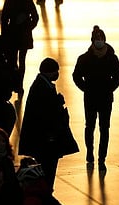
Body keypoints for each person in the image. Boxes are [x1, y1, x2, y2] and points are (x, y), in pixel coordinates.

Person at [19, 58, 79, 190]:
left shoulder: (42, 85)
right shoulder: (42, 88)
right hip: (45, 141)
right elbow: (45, 113)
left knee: (47, 171)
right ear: (50, 71)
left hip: (44, 140)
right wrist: (58, 102)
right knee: (47, 171)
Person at [72, 25, 119, 171]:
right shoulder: (84, 58)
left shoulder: (112, 58)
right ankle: (90, 152)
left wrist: (110, 88)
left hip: (106, 97)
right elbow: (76, 76)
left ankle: (102, 157)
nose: (99, 41)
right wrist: (85, 88)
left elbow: (118, 76)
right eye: (97, 39)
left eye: (101, 39)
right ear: (92, 41)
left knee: (104, 128)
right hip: (90, 97)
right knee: (90, 126)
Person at [1, 0, 39, 95]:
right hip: (24, 34)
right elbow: (35, 17)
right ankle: (19, 84)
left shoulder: (9, 1)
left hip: (12, 33)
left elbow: (4, 19)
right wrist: (28, 27)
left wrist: (4, 35)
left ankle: (15, 82)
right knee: (22, 60)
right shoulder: (27, 1)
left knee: (13, 61)